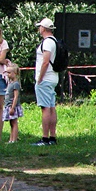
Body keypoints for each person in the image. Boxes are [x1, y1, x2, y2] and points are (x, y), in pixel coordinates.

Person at [33, 17, 59, 146]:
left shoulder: (47, 42)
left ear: (43, 28)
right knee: (52, 107)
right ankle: (52, 137)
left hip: (45, 78)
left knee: (45, 108)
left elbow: (45, 61)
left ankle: (45, 138)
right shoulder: (54, 41)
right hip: (53, 77)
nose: (39, 29)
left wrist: (39, 78)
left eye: (40, 27)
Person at [2, 63, 23, 143]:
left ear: (15, 73)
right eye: (7, 72)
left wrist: (13, 107)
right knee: (11, 123)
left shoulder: (16, 84)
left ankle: (14, 139)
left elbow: (16, 97)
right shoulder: (10, 83)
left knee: (14, 123)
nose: (8, 74)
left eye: (9, 73)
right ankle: (11, 139)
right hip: (8, 106)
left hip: (12, 106)